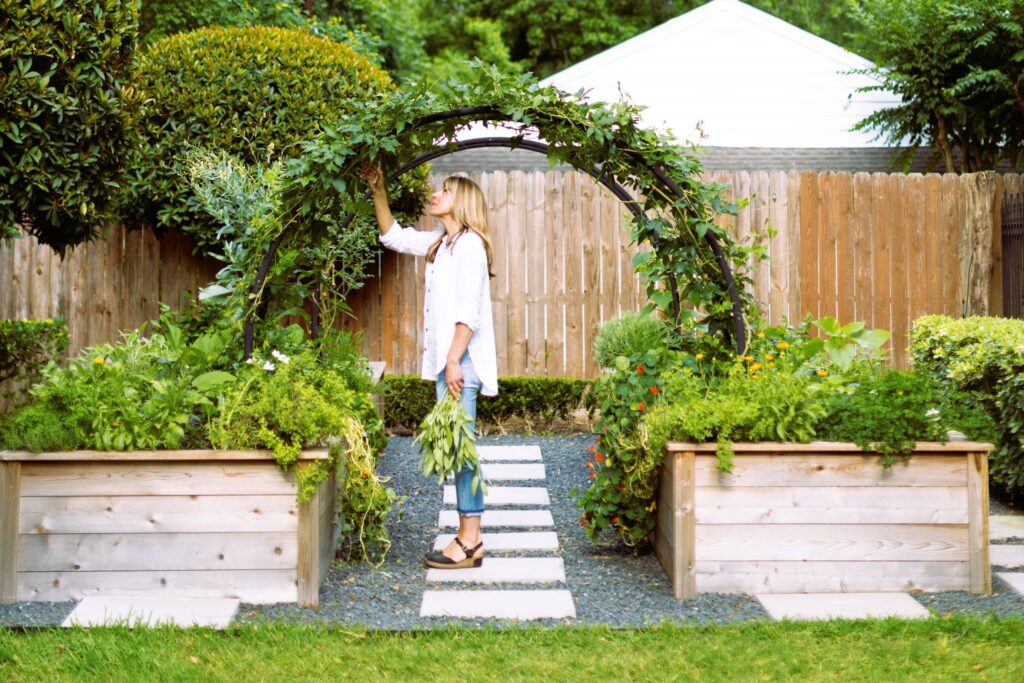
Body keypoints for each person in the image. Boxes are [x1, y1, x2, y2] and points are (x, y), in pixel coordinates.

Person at [364, 163, 498, 569]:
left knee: (461, 449)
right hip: (452, 361)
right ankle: (467, 535)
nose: (435, 194)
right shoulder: (443, 243)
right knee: (458, 448)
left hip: (463, 362)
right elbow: (393, 237)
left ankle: (470, 540)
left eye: (445, 190)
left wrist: (454, 360)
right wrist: (378, 190)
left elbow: (468, 312)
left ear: (462, 201)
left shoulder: (471, 245)